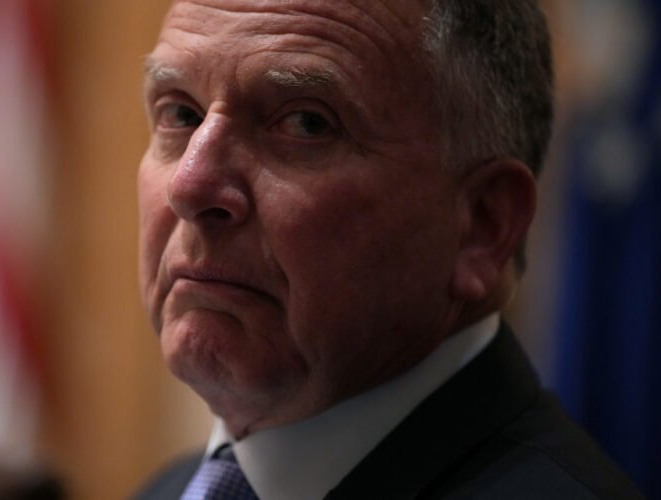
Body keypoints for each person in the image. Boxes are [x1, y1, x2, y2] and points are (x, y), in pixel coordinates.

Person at [133, 0, 644, 498]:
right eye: (181, 113)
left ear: (483, 225)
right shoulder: (170, 490)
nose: (189, 187)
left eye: (307, 123)